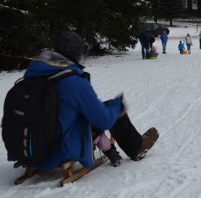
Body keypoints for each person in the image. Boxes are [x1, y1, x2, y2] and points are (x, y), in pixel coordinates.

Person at [20, 31, 159, 171]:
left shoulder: (32, 77)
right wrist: (116, 106)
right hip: (57, 150)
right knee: (113, 110)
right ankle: (137, 148)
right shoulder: (72, 82)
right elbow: (102, 120)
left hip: (28, 146)